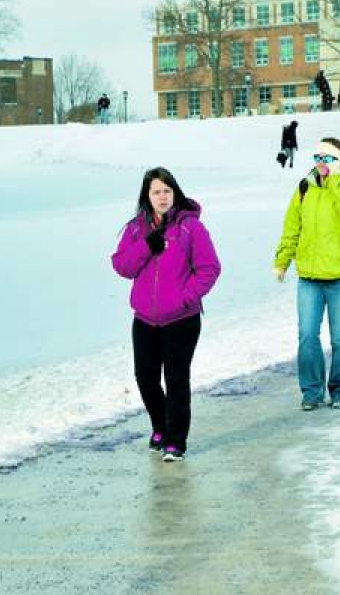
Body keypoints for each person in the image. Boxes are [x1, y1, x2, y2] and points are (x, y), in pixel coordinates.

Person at [111, 167, 222, 461]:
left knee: (175, 379)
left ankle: (176, 441)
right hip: (145, 319)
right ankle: (160, 426)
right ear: (147, 196)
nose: (162, 197)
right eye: (156, 191)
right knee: (145, 377)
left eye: (167, 191)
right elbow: (122, 266)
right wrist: (146, 246)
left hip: (181, 320)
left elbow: (210, 268)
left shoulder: (191, 228)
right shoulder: (136, 229)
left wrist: (185, 299)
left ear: (175, 193)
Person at [273, 138, 340, 411]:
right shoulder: (304, 188)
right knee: (307, 335)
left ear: (338, 159)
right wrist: (282, 261)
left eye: (327, 158)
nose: (321, 163)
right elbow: (292, 228)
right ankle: (311, 391)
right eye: (317, 157)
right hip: (310, 278)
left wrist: (337, 180)